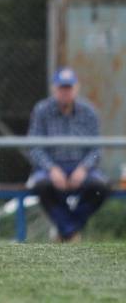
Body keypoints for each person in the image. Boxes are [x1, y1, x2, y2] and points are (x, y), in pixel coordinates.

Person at [27, 67, 110, 242]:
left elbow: (96, 150)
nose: (65, 92)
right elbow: (34, 147)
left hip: (82, 167)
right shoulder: (41, 110)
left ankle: (65, 230)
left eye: (69, 88)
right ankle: (71, 232)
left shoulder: (89, 112)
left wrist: (83, 169)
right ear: (54, 89)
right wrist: (52, 169)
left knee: (101, 187)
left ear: (76, 88)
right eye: (61, 88)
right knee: (41, 185)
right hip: (51, 167)